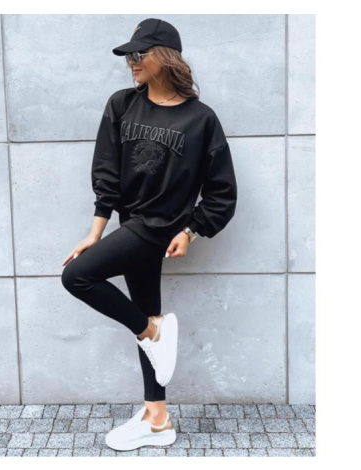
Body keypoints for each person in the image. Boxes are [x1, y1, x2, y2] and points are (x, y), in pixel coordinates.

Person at [61, 17, 238, 452]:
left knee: (76, 277)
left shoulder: (201, 119)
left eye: (140, 54)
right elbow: (106, 172)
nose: (132, 62)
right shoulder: (122, 104)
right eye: (129, 56)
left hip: (159, 229)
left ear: (165, 57)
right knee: (146, 315)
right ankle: (157, 419)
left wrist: (192, 230)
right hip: (130, 225)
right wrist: (96, 231)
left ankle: (152, 331)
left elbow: (222, 191)